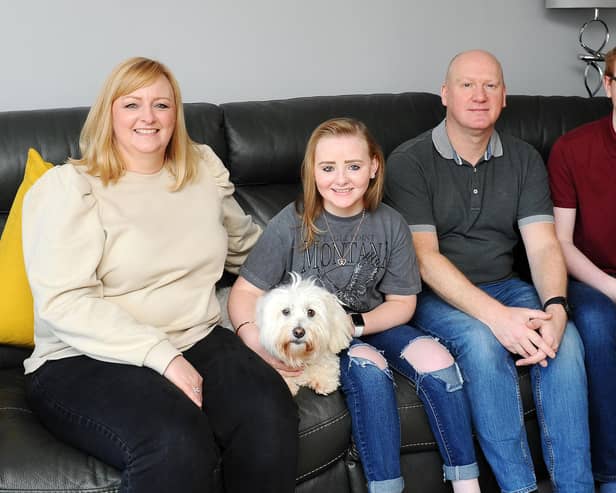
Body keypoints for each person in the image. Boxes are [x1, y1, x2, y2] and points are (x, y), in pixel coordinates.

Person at [21, 57, 298, 493]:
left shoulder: (200, 171)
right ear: (108, 113)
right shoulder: (69, 189)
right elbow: (64, 303)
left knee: (269, 411)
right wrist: (164, 358)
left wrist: (328, 274)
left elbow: (249, 246)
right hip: (83, 357)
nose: (148, 117)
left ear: (176, 115)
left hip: (195, 336)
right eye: (132, 104)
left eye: (161, 105)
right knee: (176, 442)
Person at [228, 117, 481, 493]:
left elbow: (402, 303)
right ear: (312, 172)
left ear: (374, 167)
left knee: (439, 361)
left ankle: (467, 483)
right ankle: (385, 488)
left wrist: (354, 324)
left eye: (354, 166)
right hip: (323, 335)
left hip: (371, 322)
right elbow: (244, 292)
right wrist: (253, 338)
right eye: (328, 168)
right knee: (369, 367)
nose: (341, 179)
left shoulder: (390, 223)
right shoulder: (292, 223)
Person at [385, 50, 594, 493]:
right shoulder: (410, 161)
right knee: (482, 344)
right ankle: (519, 488)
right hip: (433, 294)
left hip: (506, 284)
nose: (479, 96)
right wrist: (497, 318)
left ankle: (577, 487)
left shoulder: (523, 159)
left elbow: (542, 245)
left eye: (490, 86)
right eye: (466, 85)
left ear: (504, 98)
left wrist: (555, 307)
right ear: (445, 94)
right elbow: (425, 259)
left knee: (566, 339)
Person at [546, 47, 616, 493]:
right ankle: (610, 473)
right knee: (596, 321)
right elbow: (561, 244)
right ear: (609, 85)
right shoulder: (573, 148)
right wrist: (613, 286)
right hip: (593, 276)